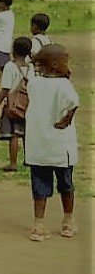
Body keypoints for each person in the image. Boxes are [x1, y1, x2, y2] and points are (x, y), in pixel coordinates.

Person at [24, 45, 78, 241]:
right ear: (55, 64)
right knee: (66, 184)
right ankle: (68, 221)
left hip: (38, 145)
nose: (67, 65)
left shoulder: (34, 83)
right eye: (66, 62)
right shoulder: (64, 85)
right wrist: (66, 120)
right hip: (60, 145)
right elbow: (73, 104)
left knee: (39, 186)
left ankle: (39, 225)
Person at [0, 37, 33, 172]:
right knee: (27, 134)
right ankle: (29, 160)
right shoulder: (31, 67)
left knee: (13, 135)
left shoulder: (10, 66)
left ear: (13, 50)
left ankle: (13, 163)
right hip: (28, 105)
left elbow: (6, 88)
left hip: (13, 104)